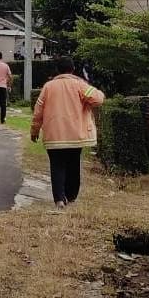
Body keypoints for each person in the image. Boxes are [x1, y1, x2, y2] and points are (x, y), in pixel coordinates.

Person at [30, 57, 105, 210]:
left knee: (56, 166)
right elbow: (98, 99)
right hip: (75, 136)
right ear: (72, 69)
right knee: (73, 165)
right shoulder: (79, 84)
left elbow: (38, 111)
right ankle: (71, 197)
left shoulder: (48, 87)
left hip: (54, 137)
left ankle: (59, 200)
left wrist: (35, 130)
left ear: (57, 70)